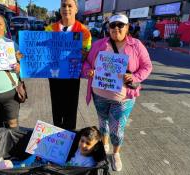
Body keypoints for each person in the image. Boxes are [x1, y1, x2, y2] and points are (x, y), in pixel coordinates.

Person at [82, 14, 152, 171]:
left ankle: (116, 153)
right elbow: (86, 63)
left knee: (117, 129)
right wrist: (89, 71)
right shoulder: (100, 44)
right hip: (99, 95)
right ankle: (104, 143)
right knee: (103, 123)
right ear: (108, 28)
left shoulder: (136, 45)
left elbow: (147, 66)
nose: (116, 28)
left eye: (121, 25)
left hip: (123, 98)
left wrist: (134, 77)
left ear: (127, 28)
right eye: (113, 25)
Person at [45, 0, 92, 130]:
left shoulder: (84, 31)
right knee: (56, 104)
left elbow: (88, 54)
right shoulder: (50, 29)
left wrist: (83, 54)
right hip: (54, 73)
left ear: (76, 9)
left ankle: (69, 134)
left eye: (70, 6)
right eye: (63, 6)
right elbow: (43, 51)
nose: (66, 8)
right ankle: (57, 132)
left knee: (71, 106)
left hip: (72, 73)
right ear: (60, 9)